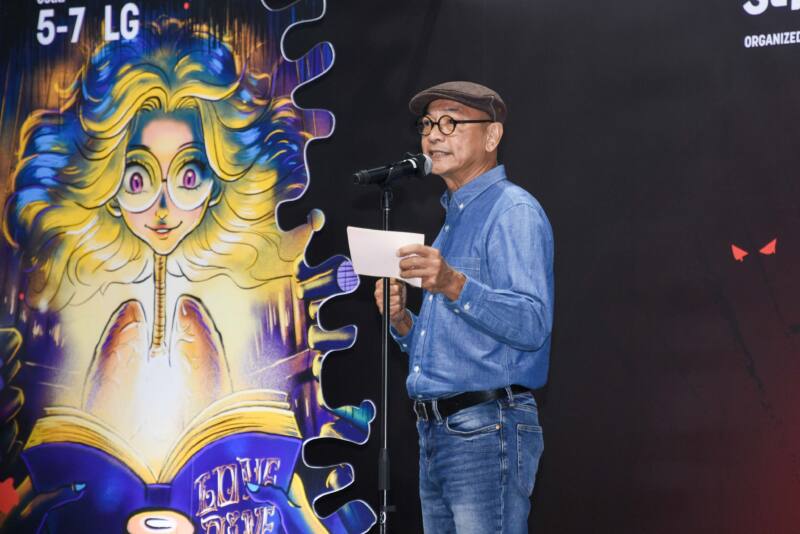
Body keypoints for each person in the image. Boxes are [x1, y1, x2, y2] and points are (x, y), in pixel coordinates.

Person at [374, 81, 554, 533]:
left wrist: (453, 283)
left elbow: (532, 323)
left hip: (486, 427)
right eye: (427, 124)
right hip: (438, 432)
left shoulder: (512, 210)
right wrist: (402, 321)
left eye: (450, 123)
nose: (434, 135)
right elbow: (456, 345)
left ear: (492, 136)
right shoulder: (452, 221)